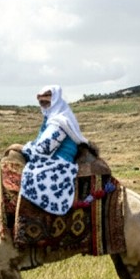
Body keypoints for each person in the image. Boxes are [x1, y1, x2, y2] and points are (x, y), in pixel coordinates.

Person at [19, 84, 89, 216]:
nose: (44, 105)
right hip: (53, 156)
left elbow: (42, 149)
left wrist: (23, 148)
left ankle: (40, 215)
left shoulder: (60, 121)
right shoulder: (51, 118)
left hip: (60, 161)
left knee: (33, 175)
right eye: (42, 102)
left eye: (47, 101)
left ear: (55, 99)